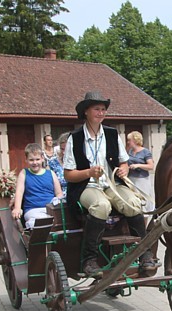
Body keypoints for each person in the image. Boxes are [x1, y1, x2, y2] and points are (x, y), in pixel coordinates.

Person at [64, 91, 156, 278]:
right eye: (96, 109)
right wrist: (88, 173)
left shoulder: (112, 134)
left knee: (134, 203)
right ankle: (89, 259)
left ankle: (144, 253)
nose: (101, 112)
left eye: (103, 109)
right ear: (86, 112)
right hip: (86, 186)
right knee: (101, 205)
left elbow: (123, 162)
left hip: (112, 184)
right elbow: (68, 175)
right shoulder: (75, 138)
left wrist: (124, 169)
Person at [12, 143, 63, 229]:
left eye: (37, 159)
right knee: (42, 222)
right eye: (31, 160)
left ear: (42, 159)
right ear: (26, 160)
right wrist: (17, 208)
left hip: (50, 209)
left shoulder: (51, 173)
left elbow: (59, 193)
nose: (35, 163)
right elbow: (19, 192)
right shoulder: (24, 173)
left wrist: (58, 203)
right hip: (33, 210)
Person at [125, 131, 155, 216]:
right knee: (133, 201)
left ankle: (144, 225)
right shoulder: (129, 151)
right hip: (131, 180)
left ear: (135, 140)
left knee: (143, 201)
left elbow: (151, 166)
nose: (128, 142)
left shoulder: (145, 152)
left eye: (129, 140)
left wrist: (138, 165)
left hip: (142, 181)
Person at [46, 132, 69, 196]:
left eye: (67, 149)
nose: (64, 152)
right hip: (58, 198)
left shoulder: (80, 163)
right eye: (62, 149)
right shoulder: (52, 163)